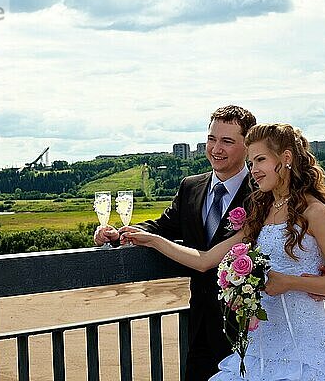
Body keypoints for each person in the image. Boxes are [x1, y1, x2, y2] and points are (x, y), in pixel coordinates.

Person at [120, 123, 325, 380]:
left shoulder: (314, 212)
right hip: (259, 351)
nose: (255, 170)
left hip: (307, 351)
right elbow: (205, 260)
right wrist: (153, 241)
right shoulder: (262, 211)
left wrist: (289, 282)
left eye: (260, 159)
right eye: (251, 163)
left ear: (285, 158)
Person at [94, 105, 257, 380]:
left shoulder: (262, 191)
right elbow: (161, 226)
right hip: (200, 326)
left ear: (248, 145)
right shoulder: (191, 186)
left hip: (249, 327)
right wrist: (120, 234)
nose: (216, 148)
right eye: (211, 139)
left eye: (227, 141)